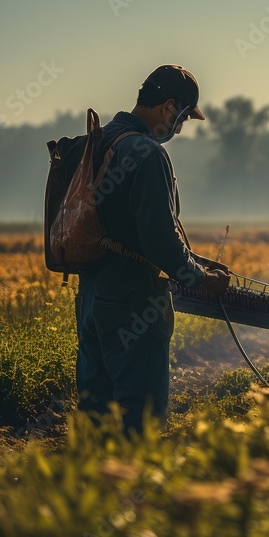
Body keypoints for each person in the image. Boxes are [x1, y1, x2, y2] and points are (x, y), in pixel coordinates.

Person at [75, 64, 230, 436]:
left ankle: (90, 487)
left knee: (95, 413)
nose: (179, 129)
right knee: (140, 413)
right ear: (168, 107)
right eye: (181, 120)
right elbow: (159, 239)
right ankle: (136, 487)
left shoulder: (96, 142)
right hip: (132, 299)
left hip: (90, 296)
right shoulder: (146, 153)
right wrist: (200, 279)